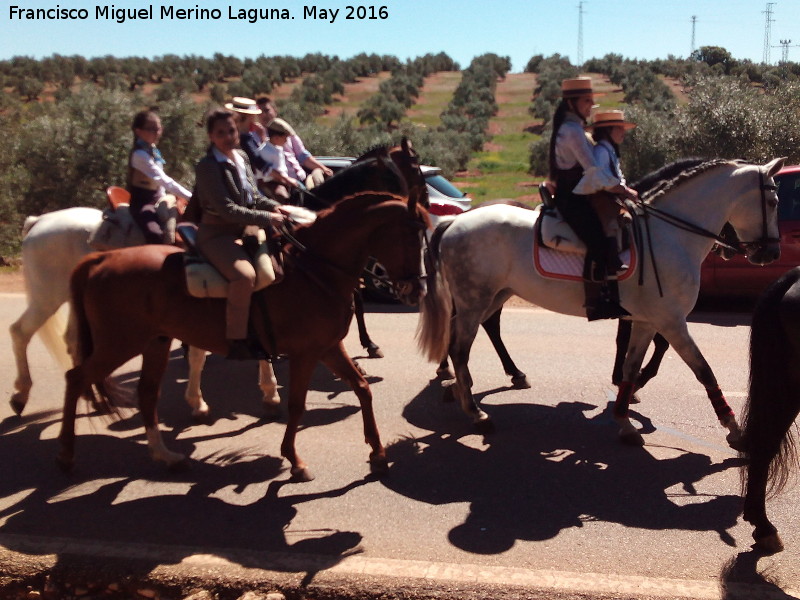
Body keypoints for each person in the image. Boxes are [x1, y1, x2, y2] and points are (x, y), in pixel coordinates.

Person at [193, 108, 289, 360]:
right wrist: (269, 218)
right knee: (244, 277)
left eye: (231, 130)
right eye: (220, 133)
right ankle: (236, 340)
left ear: (238, 130)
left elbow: (254, 197)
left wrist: (275, 206)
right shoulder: (207, 166)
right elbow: (227, 210)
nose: (227, 136)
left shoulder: (242, 157)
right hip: (216, 234)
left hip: (244, 229)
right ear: (211, 137)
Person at [548, 77, 637, 320]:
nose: (590, 105)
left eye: (591, 100)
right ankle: (594, 302)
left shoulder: (573, 129)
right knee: (597, 241)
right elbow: (593, 171)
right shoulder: (572, 131)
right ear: (571, 102)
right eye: (586, 101)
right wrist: (622, 190)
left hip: (578, 195)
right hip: (572, 199)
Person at [576, 109, 638, 274]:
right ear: (607, 131)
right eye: (619, 128)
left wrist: (625, 188)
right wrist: (624, 190)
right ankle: (610, 260)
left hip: (609, 193)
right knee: (609, 220)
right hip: (598, 195)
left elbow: (617, 175)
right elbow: (601, 180)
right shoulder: (601, 152)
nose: (623, 132)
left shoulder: (609, 150)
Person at [127, 110, 192, 244]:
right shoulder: (140, 155)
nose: (156, 133)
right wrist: (192, 198)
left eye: (158, 129)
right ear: (138, 131)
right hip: (143, 203)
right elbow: (165, 181)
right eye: (151, 129)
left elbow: (161, 185)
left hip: (158, 199)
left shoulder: (153, 151)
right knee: (155, 234)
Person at [256, 96, 333, 189]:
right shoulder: (255, 136)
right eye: (260, 112)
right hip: (282, 183)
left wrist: (324, 168)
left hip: (301, 177)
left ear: (275, 111)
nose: (264, 115)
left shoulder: (287, 132)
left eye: (267, 110)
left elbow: (303, 156)